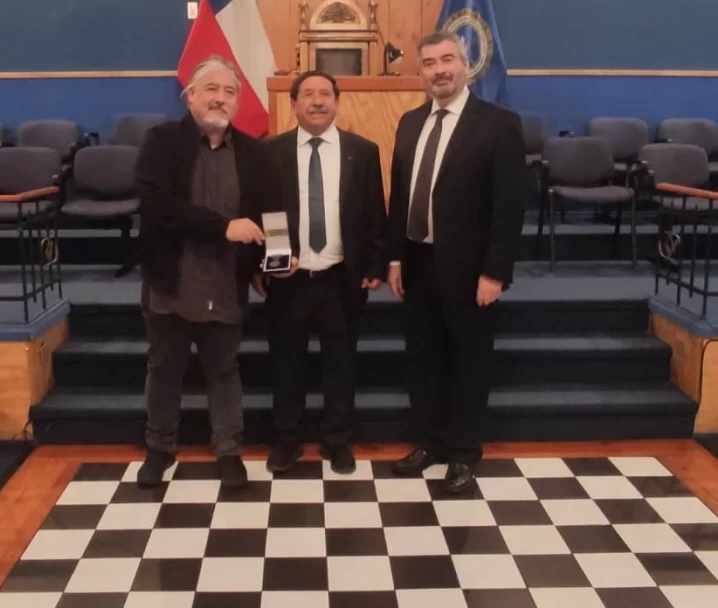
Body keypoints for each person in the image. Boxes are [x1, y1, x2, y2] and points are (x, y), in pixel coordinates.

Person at [388, 31, 525, 495]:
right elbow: (399, 199)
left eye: (448, 59)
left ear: (465, 64)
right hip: (418, 264)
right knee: (423, 360)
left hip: (471, 272)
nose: (439, 69)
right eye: (429, 63)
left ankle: (464, 453)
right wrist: (394, 259)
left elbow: (510, 207)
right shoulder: (409, 123)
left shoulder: (499, 124)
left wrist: (495, 272)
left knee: (469, 362)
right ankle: (429, 443)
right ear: (421, 72)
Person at [135, 56, 269, 489]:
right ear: (190, 95)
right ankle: (159, 448)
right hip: (171, 280)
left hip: (226, 283)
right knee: (165, 368)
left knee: (224, 370)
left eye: (230, 92)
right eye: (211, 88)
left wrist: (270, 262)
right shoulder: (161, 142)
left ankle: (228, 450)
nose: (220, 98)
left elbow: (267, 216)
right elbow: (157, 205)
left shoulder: (253, 152)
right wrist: (222, 227)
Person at [255, 70, 387, 475]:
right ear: (293, 103)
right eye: (307, 94)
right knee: (287, 366)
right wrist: (264, 262)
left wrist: (375, 264)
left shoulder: (362, 151)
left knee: (341, 365)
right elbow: (260, 214)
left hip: (340, 280)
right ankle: (287, 441)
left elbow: (374, 215)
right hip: (288, 283)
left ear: (336, 100)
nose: (316, 101)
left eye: (325, 94)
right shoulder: (270, 152)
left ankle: (337, 441)